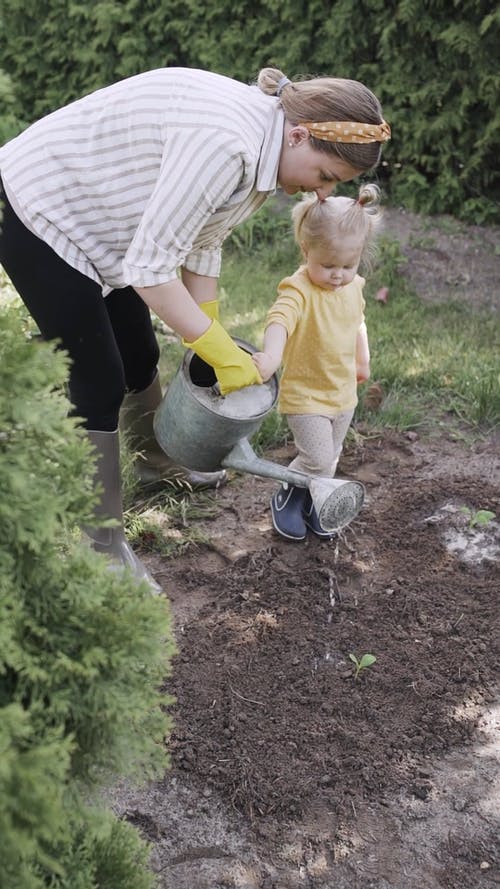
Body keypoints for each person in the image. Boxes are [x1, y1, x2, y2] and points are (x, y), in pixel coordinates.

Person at [0, 65, 390, 589]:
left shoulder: (265, 147)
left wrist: (207, 331)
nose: (321, 194)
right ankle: (102, 545)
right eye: (324, 176)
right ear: (299, 134)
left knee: (138, 351)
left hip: (106, 224)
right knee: (97, 375)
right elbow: (148, 270)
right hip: (37, 207)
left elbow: (203, 239)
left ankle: (160, 461)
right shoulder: (228, 146)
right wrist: (215, 348)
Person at [252, 183, 382, 541]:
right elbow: (279, 319)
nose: (338, 274)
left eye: (348, 265)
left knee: (332, 455)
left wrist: (363, 359)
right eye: (328, 265)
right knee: (318, 458)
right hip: (306, 394)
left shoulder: (353, 286)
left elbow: (358, 322)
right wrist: (272, 355)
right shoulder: (298, 289)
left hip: (342, 392)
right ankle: (287, 493)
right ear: (305, 249)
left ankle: (313, 498)